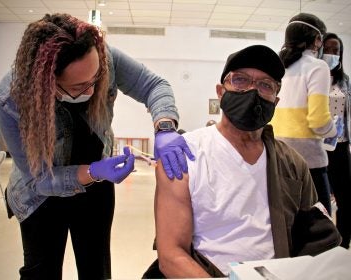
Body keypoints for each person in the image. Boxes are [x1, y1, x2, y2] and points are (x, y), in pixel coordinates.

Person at [0, 13, 194, 280]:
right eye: (79, 86)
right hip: (40, 196)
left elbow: (154, 85)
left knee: (96, 269)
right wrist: (94, 171)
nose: (92, 89)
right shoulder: (11, 97)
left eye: (96, 78)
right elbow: (38, 179)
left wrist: (165, 127)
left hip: (95, 193)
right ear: (47, 83)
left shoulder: (103, 57)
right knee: (40, 271)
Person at [143, 45, 341, 278]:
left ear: (275, 101)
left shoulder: (292, 164)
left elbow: (316, 239)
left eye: (265, 85)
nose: (252, 90)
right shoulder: (183, 155)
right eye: (240, 80)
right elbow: (172, 256)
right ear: (220, 91)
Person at [270, 13, 339, 215]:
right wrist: (333, 129)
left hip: (277, 154)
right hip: (308, 160)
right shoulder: (318, 67)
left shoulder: (278, 66)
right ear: (317, 40)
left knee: (286, 221)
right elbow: (318, 121)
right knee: (320, 225)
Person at [322, 32, 351, 249]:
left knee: (346, 201)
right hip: (317, 147)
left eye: (337, 51)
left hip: (340, 146)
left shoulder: (344, 80)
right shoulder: (313, 76)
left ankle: (343, 244)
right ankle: (322, 244)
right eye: (328, 49)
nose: (333, 54)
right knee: (320, 201)